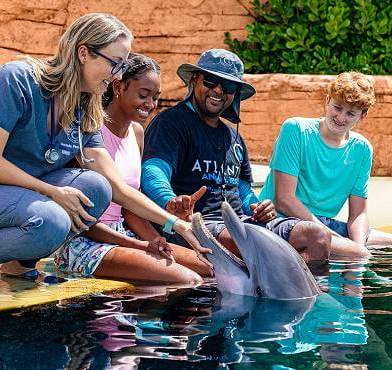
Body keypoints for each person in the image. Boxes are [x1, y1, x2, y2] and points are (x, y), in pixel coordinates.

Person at [0, 13, 210, 293]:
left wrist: (177, 224)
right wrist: (53, 191)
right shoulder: (17, 80)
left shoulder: (84, 109)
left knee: (96, 187)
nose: (117, 74)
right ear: (83, 53)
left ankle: (19, 261)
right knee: (50, 218)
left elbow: (116, 187)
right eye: (114, 63)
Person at [141, 49, 366, 263]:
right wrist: (170, 201)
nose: (219, 90)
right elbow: (153, 171)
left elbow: (242, 189)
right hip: (197, 223)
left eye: (228, 86)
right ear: (195, 81)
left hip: (243, 224)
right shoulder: (171, 123)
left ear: (236, 93)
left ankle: (313, 302)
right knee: (260, 246)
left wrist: (258, 208)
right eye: (210, 81)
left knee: (316, 236)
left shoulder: (233, 138)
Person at [54, 53, 211, 284]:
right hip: (85, 241)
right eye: (143, 95)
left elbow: (129, 207)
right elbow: (81, 220)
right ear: (118, 87)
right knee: (187, 279)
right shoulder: (89, 130)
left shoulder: (137, 133)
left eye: (155, 97)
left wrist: (158, 242)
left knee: (210, 270)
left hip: (125, 234)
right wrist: (140, 245)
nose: (150, 104)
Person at [259, 71, 392, 248]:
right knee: (351, 252)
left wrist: (358, 247)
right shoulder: (296, 129)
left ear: (362, 116)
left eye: (351, 113)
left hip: (324, 225)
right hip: (280, 220)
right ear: (327, 101)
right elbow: (284, 200)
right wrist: (335, 239)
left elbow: (358, 214)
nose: (341, 117)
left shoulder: (362, 149)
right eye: (337, 107)